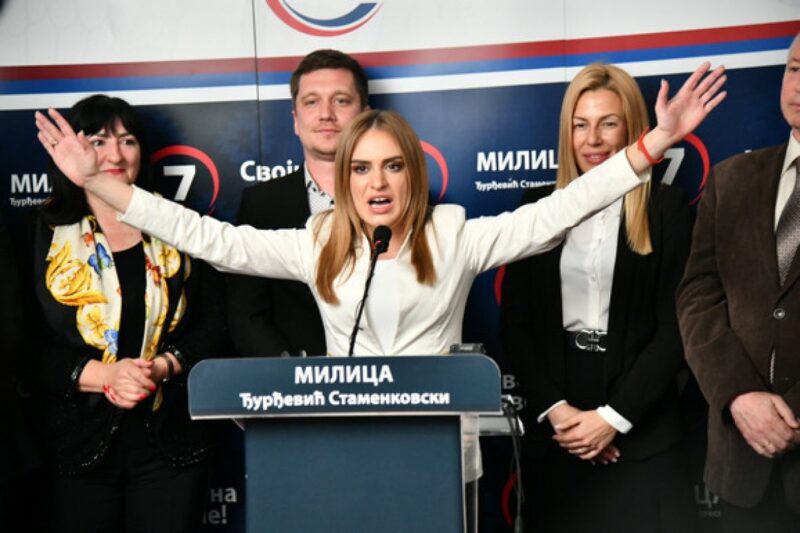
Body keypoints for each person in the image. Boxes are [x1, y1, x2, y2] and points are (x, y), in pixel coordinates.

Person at [35, 59, 723, 522]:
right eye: (362, 168)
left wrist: (653, 143)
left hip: (439, 459)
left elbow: (556, 213)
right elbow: (209, 237)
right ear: (346, 179)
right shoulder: (319, 241)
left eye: (393, 165)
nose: (378, 182)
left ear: (412, 174)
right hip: (344, 451)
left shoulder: (453, 234)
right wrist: (97, 181)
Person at [500, 62, 696, 532]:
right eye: (580, 125)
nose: (593, 139)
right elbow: (517, 326)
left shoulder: (667, 209)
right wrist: (559, 414)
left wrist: (614, 418)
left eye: (608, 123)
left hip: (643, 427)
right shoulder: (537, 208)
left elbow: (676, 328)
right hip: (558, 430)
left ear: (633, 128)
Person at [30, 95, 228, 533]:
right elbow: (22, 346)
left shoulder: (180, 225)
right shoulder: (35, 235)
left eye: (128, 140)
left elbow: (217, 326)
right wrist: (104, 375)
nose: (116, 155)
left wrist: (162, 366)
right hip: (72, 444)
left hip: (171, 446)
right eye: (98, 142)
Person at [677, 34, 800, 532]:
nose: (799, 85)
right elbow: (697, 297)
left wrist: (790, 414)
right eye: (795, 69)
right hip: (743, 469)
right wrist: (738, 395)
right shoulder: (731, 179)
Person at [228, 49, 368, 358]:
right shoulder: (261, 204)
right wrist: (292, 373)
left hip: (386, 379)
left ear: (365, 115)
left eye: (341, 101)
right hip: (291, 380)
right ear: (295, 120)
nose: (326, 114)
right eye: (312, 102)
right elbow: (247, 315)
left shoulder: (399, 198)